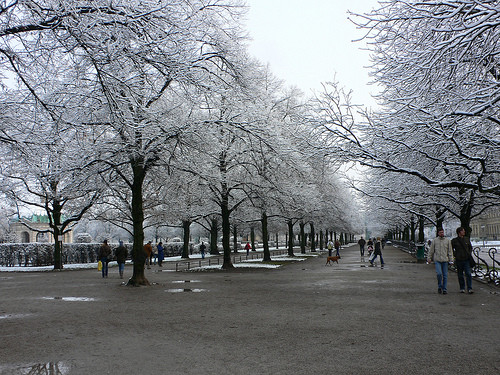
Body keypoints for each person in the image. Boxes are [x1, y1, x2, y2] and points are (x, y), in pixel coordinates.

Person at [427, 228, 454, 295]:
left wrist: (451, 260)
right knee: (439, 274)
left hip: (445, 260)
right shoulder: (435, 241)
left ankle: (444, 289)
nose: (442, 233)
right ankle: (439, 286)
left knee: (445, 275)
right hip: (437, 260)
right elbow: (431, 250)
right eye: (440, 232)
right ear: (438, 233)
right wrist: (429, 258)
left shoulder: (447, 241)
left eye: (442, 232)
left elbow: (450, 251)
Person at [451, 227, 474, 294]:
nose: (464, 232)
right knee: (460, 275)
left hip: (466, 259)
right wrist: (455, 255)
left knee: (468, 274)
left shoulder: (466, 239)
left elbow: (470, 247)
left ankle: (469, 288)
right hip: (459, 260)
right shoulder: (454, 240)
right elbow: (451, 249)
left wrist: (468, 253)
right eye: (463, 231)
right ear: (459, 232)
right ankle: (462, 288)